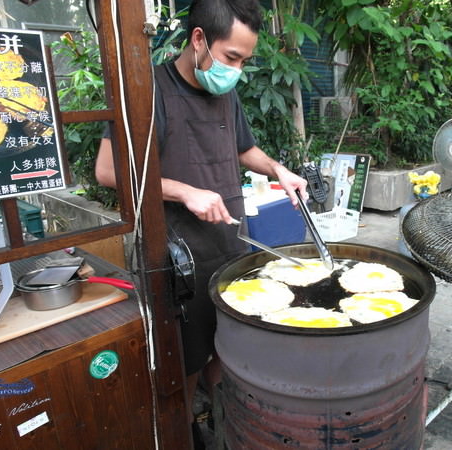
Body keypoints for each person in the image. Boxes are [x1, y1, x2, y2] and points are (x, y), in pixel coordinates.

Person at [95, 0, 307, 444]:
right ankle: (186, 432)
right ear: (198, 40)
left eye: (244, 61)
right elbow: (109, 172)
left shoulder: (224, 90)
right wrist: (184, 191)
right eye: (232, 57)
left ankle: (226, 423)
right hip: (177, 257)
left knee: (226, 346)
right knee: (185, 359)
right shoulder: (147, 88)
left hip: (229, 245)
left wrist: (279, 171)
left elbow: (244, 150)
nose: (237, 70)